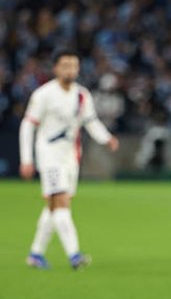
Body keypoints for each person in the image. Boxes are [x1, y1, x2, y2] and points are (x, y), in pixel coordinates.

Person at [19, 49, 119, 270]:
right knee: (61, 202)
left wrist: (106, 138)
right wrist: (26, 159)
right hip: (50, 155)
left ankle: (35, 254)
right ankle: (74, 255)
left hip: (71, 157)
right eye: (65, 65)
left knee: (54, 207)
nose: (70, 70)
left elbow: (90, 121)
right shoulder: (44, 94)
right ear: (56, 68)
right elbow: (27, 125)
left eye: (73, 66)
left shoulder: (82, 95)